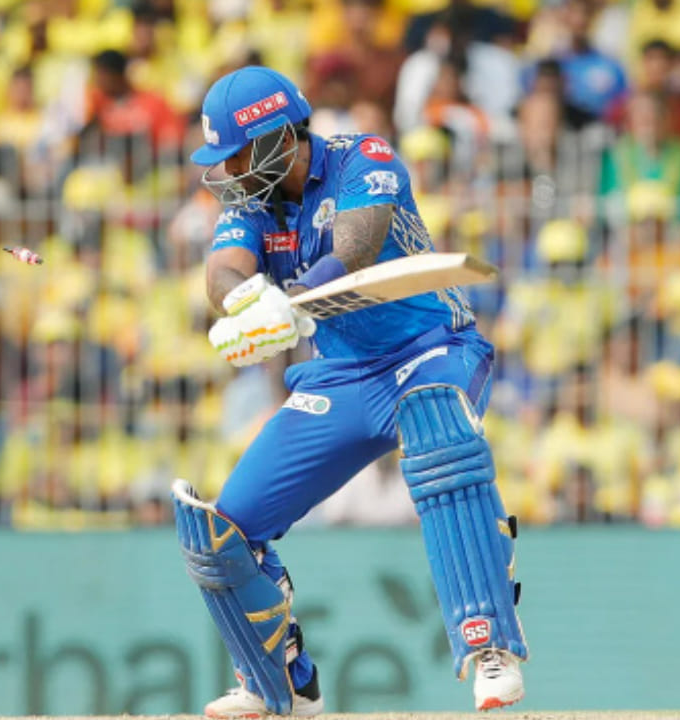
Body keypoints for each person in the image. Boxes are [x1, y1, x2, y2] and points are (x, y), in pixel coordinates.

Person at [173, 65, 527, 717]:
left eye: (241, 154)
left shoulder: (363, 156)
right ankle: (283, 683)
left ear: (283, 137)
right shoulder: (250, 203)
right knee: (223, 530)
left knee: (439, 437)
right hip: (341, 377)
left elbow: (358, 244)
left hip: (431, 350)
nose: (231, 171)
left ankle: (490, 646)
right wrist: (245, 301)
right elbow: (222, 270)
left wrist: (295, 296)